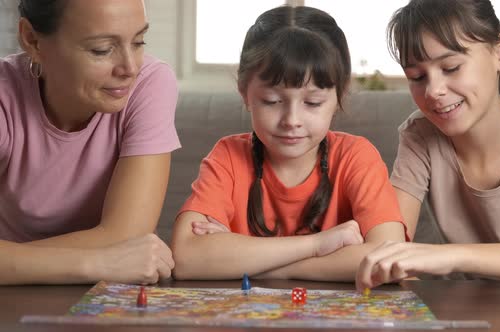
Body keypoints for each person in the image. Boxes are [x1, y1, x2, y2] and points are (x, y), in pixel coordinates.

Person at [355, 0, 500, 314]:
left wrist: (454, 256)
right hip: (481, 298)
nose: (433, 90)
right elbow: (391, 249)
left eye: (451, 67)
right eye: (417, 76)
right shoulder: (419, 136)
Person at [171, 5, 408, 281]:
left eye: (312, 102)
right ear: (244, 93)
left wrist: (257, 263)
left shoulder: (357, 157)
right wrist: (317, 245)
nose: (291, 120)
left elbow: (388, 259)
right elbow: (186, 258)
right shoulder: (228, 156)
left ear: (338, 97)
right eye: (272, 101)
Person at [0, 0, 179, 285]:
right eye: (102, 50)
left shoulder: (151, 83)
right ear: (32, 40)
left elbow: (126, 234)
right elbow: (119, 247)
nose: (130, 68)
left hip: (113, 294)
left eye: (139, 41)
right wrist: (97, 263)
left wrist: (13, 262)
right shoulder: (4, 93)